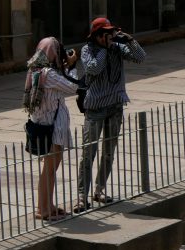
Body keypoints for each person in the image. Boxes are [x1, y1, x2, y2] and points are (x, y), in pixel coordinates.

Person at [74, 16, 146, 212]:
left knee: (108, 152)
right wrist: (105, 49)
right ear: (97, 35)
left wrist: (130, 40)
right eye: (105, 33)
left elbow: (140, 57)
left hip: (115, 106)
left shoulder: (117, 48)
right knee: (89, 153)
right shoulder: (88, 50)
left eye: (111, 32)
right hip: (95, 108)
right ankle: (82, 196)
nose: (110, 36)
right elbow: (93, 68)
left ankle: (99, 189)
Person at [23, 37, 78, 221]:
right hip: (54, 129)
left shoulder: (35, 71)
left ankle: (48, 205)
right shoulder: (49, 75)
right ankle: (43, 210)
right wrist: (72, 66)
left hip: (43, 124)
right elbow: (73, 87)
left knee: (49, 169)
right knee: (49, 169)